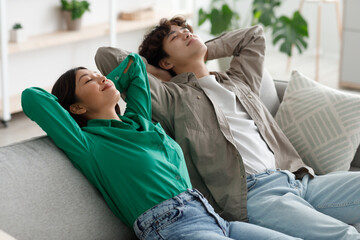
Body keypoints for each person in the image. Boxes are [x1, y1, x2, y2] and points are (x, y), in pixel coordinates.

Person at [95, 16, 360, 239]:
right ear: (165, 63)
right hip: (255, 196)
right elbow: (107, 56)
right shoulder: (171, 98)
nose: (186, 33)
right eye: (175, 37)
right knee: (345, 235)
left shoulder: (239, 80)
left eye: (187, 30)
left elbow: (253, 36)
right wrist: (159, 74)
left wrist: (202, 51)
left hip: (299, 179)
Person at [21, 53, 298, 240]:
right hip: (171, 226)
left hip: (212, 216)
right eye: (88, 81)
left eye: (98, 74)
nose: (100, 78)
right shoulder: (88, 143)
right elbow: (31, 97)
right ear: (77, 107)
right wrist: (93, 96)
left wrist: (103, 86)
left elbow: (135, 65)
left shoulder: (139, 121)